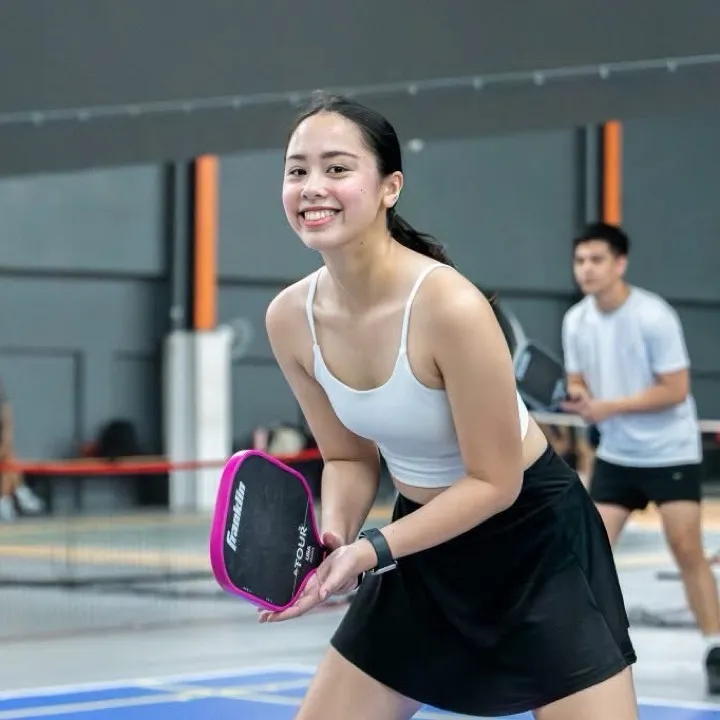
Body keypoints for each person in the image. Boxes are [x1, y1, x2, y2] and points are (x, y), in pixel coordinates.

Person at [261, 92, 639, 719]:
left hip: (535, 544)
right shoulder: (289, 319)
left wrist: (372, 550)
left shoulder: (450, 307)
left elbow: (495, 482)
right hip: (421, 542)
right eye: (297, 170)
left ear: (390, 187)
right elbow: (348, 458)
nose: (312, 187)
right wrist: (336, 539)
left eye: (337, 168)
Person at [561, 221, 720, 694]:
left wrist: (609, 407)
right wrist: (578, 395)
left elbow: (675, 389)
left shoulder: (654, 316)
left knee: (686, 548)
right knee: (588, 552)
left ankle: (715, 646)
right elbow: (577, 378)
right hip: (617, 454)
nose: (586, 269)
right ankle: (576, 649)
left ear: (620, 264)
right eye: (580, 261)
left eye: (596, 260)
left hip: (670, 451)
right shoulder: (576, 321)